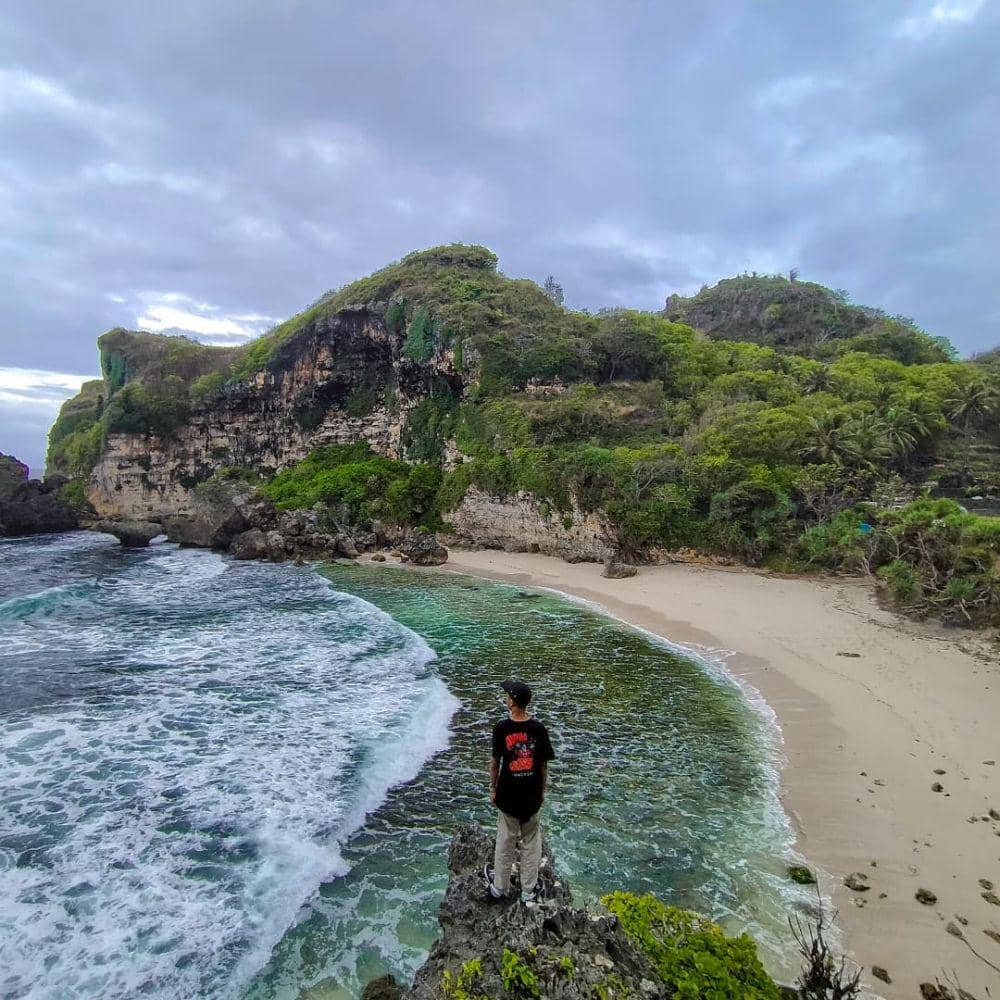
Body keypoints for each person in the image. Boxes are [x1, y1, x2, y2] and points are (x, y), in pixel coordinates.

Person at [484, 678, 555, 903]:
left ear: (513, 702)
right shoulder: (538, 729)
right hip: (531, 795)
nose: (505, 698)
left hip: (508, 795)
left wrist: (493, 789)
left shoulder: (502, 729)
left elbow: (495, 763)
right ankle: (528, 890)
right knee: (531, 843)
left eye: (508, 696)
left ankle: (500, 888)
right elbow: (543, 765)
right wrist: (542, 791)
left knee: (505, 841)